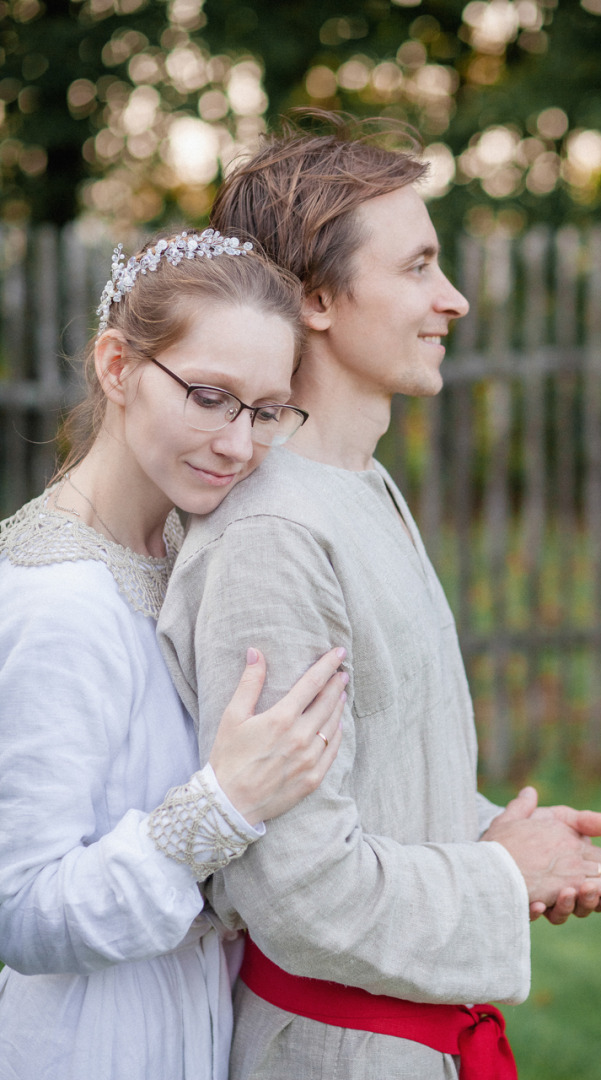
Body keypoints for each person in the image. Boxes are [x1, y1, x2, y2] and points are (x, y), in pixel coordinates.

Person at [158, 116, 601, 1080]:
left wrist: (506, 835)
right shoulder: (272, 539)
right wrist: (503, 876)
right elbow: (296, 888)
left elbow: (372, 780)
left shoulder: (359, 486)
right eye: (417, 266)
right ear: (318, 300)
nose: (450, 299)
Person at [0, 227, 350, 1080]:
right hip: (90, 1042)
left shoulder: (189, 553)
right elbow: (21, 912)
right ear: (117, 368)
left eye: (266, 411)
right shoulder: (56, 601)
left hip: (196, 1018)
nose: (239, 444)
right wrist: (221, 805)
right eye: (208, 396)